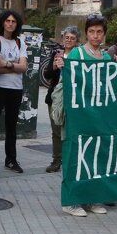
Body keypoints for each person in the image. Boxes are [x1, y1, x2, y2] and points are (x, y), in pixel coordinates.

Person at [59, 15, 111, 217]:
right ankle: (72, 200)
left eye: (99, 32)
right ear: (86, 33)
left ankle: (92, 198)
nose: (95, 35)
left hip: (99, 116)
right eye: (92, 32)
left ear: (104, 35)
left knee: (96, 155)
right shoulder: (77, 54)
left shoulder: (106, 58)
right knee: (75, 157)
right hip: (78, 115)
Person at [0, 10, 28, 173]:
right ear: (2, 22)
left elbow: (24, 67)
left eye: (14, 22)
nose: (10, 24)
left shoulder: (20, 42)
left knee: (11, 127)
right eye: (7, 21)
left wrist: (8, 64)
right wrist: (14, 65)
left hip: (16, 89)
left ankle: (11, 159)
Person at [40, 26, 79, 173]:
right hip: (55, 98)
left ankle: (71, 159)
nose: (68, 40)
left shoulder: (78, 55)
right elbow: (47, 74)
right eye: (66, 38)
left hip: (73, 98)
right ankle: (56, 160)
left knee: (71, 131)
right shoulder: (56, 53)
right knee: (56, 131)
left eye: (72, 38)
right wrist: (55, 66)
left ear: (77, 41)